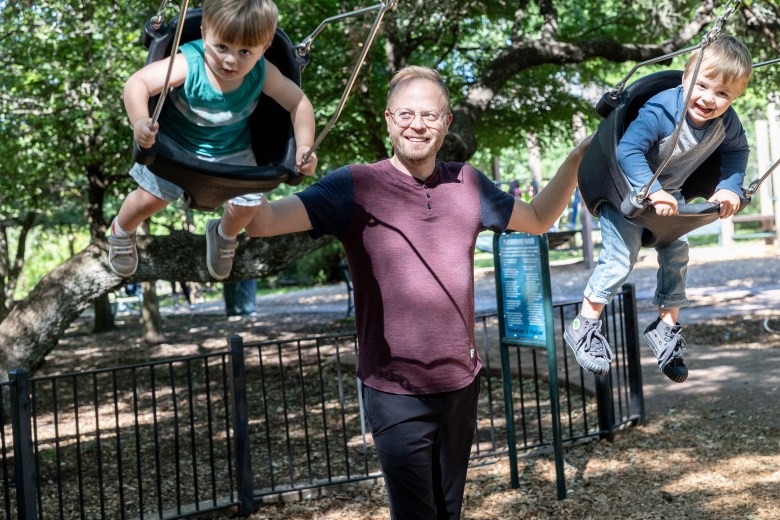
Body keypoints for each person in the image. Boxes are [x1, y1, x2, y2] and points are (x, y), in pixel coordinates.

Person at [245, 65, 590, 519]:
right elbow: (265, 221)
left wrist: (576, 160)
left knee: (448, 511)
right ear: (389, 120)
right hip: (394, 390)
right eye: (406, 114)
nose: (417, 124)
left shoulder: (467, 184)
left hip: (461, 384)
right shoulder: (353, 185)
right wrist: (239, 161)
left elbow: (540, 219)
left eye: (430, 115)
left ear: (446, 124)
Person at [564, 35, 752, 383]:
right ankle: (584, 323)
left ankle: (665, 329)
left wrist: (730, 188)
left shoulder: (728, 123)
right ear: (685, 77)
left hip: (671, 194)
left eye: (724, 94)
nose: (710, 98)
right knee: (622, 257)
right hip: (623, 187)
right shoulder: (661, 110)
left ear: (736, 97)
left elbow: (737, 152)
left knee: (678, 253)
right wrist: (652, 189)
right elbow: (629, 150)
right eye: (703, 85)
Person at [107, 0, 317, 281]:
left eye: (245, 51)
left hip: (232, 150)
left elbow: (299, 103)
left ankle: (223, 234)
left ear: (264, 48)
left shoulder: (262, 72)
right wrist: (140, 121)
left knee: (247, 206)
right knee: (149, 199)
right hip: (175, 146)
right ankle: (121, 229)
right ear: (205, 34)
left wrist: (304, 147)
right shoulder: (189, 62)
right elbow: (138, 83)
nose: (231, 60)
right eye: (222, 47)